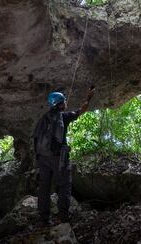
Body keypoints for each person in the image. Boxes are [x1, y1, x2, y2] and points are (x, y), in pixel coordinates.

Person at [33, 87, 95, 225]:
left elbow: (36, 138)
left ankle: (43, 219)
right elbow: (81, 110)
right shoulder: (63, 116)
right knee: (64, 185)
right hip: (58, 157)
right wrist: (89, 98)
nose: (66, 102)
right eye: (64, 101)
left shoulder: (43, 119)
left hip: (42, 158)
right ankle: (63, 217)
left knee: (44, 188)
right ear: (60, 104)